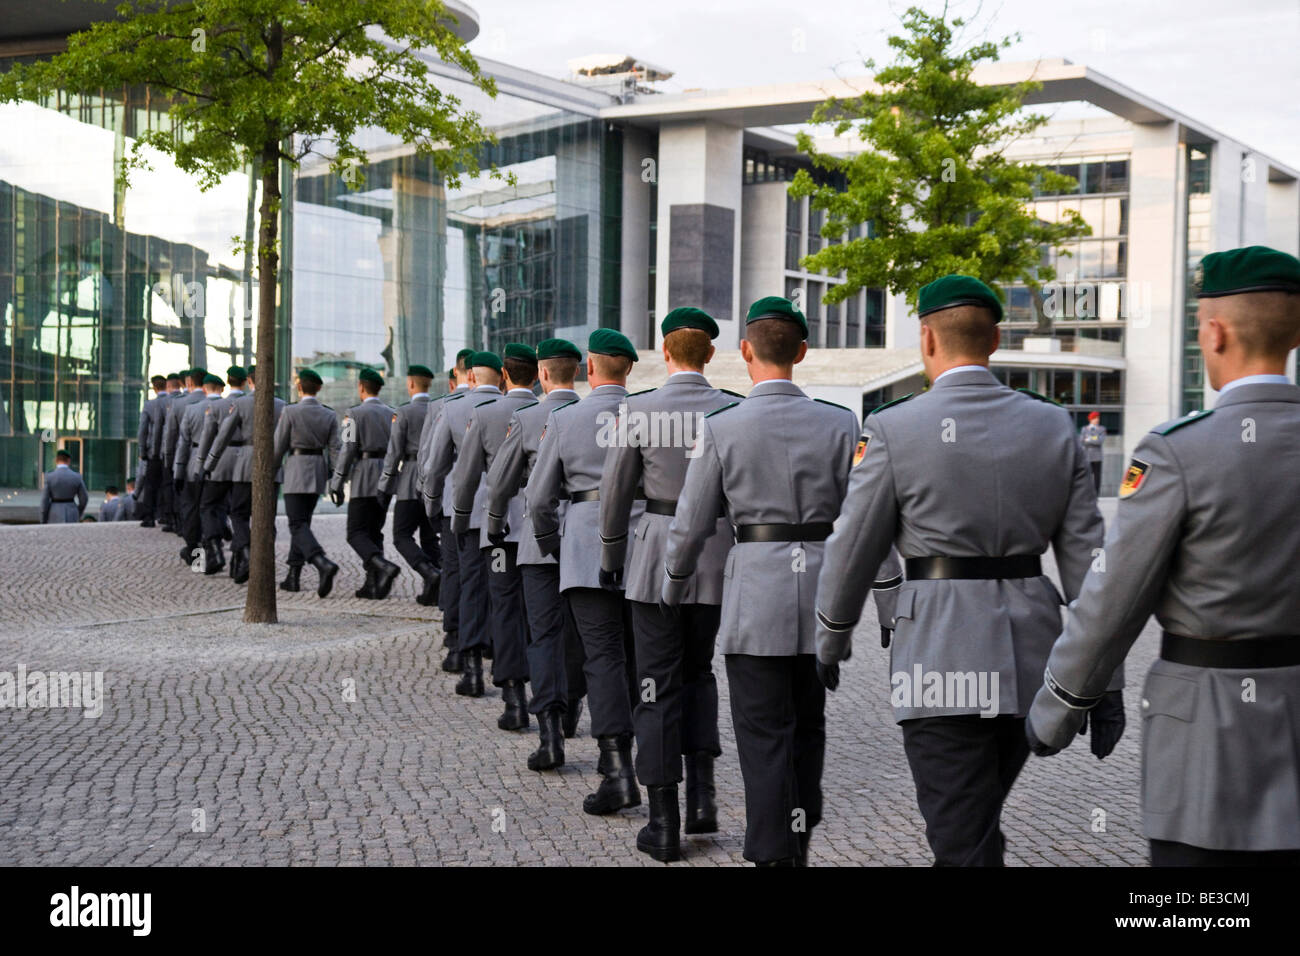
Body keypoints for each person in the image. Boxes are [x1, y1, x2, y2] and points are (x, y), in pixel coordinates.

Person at [813, 275, 1109, 868]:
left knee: (960, 834)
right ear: (995, 338)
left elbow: (852, 548)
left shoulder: (895, 427)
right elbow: (1092, 569)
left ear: (926, 337)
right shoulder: (1053, 425)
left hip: (938, 659)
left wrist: (831, 635)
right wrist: (1107, 683)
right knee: (974, 822)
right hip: (1029, 656)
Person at [1027, 245, 1300, 867]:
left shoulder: (1179, 451)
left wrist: (1057, 711)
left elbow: (1112, 599)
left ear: (1214, 330)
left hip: (1207, 729)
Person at [663, 296, 856, 867]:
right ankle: (798, 833)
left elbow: (691, 523)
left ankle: (775, 853)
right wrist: (887, 601)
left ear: (744, 351)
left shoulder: (722, 427)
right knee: (808, 725)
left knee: (762, 732)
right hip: (821, 597)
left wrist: (674, 583)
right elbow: (869, 522)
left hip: (756, 595)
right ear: (801, 351)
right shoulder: (840, 422)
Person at [598, 306, 739, 862]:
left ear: (663, 352)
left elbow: (615, 495)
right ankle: (703, 798)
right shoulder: (733, 408)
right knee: (700, 671)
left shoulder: (637, 410)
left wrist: (611, 557)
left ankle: (663, 823)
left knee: (655, 683)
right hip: (717, 554)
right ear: (710, 354)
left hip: (655, 552)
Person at [528, 328, 644, 816]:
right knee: (642, 659)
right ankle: (651, 761)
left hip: (583, 544)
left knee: (601, 659)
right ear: (629, 369)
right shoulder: (650, 415)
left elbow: (538, 499)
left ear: (589, 369)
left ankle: (614, 768)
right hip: (644, 547)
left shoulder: (564, 418)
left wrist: (557, 544)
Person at [485, 339, 587, 770]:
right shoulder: (596, 415)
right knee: (583, 633)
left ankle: (549, 733)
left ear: (543, 374)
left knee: (542, 634)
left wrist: (493, 525)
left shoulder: (527, 420)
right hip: (587, 539)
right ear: (578, 373)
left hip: (537, 541)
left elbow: (500, 481)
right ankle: (574, 706)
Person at [451, 345, 539, 732]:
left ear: (505, 374)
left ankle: (514, 698)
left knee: (503, 608)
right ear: (538, 375)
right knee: (542, 615)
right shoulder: (552, 411)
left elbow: (466, 477)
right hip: (541, 528)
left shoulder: (484, 414)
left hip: (497, 529)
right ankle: (558, 702)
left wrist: (459, 518)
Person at [425, 352, 504, 697]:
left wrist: (431, 504)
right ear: (501, 376)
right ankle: (504, 662)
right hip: (508, 515)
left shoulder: (452, 408)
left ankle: (469, 666)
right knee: (504, 589)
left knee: (470, 584)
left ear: (469, 377)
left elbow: (434, 465)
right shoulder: (519, 408)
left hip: (467, 512)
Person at [418, 352, 474, 669]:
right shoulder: (507, 402)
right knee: (482, 577)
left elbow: (430, 460)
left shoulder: (444, 406)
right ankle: (482, 640)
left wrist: (431, 502)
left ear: (456, 372)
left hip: (454, 505)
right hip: (492, 508)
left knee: (454, 570)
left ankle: (454, 641)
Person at [206, 365, 286, 584]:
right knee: (267, 518)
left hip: (245, 466)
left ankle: (248, 553)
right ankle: (261, 561)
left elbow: (223, 436)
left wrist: (210, 462)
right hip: (272, 464)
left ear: (250, 381)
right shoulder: (282, 405)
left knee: (239, 513)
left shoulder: (240, 403)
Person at [329, 368, 401, 599]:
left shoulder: (354, 414)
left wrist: (337, 481)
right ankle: (374, 585)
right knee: (374, 531)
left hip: (363, 477)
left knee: (356, 533)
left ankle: (382, 566)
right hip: (386, 476)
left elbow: (348, 448)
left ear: (361, 387)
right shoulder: (392, 413)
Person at [273, 369, 341, 597]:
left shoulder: (290, 411)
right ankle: (293, 576)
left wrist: (269, 472)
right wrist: (336, 479)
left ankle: (321, 562)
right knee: (302, 524)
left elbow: (278, 445)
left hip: (296, 469)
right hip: (317, 470)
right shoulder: (329, 415)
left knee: (296, 524)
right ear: (318, 388)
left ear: (299, 387)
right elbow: (335, 449)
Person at [377, 365, 441, 606]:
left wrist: (385, 486)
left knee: (401, 536)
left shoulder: (403, 412)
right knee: (429, 537)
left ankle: (429, 573)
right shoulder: (439, 410)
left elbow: (394, 453)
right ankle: (436, 587)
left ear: (411, 384)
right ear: (428, 384)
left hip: (410, 479)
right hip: (436, 478)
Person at [197, 366, 247, 575]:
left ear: (228, 381)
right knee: (239, 512)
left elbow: (208, 437)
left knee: (209, 505)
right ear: (244, 382)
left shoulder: (217, 406)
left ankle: (215, 549)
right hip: (245, 461)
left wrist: (203, 464)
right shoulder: (250, 404)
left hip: (221, 460)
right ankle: (239, 558)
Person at [174, 373, 224, 571]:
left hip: (195, 463)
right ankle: (215, 550)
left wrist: (178, 470)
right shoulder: (228, 408)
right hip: (221, 465)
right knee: (216, 509)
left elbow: (183, 443)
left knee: (193, 510)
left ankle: (197, 558)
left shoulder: (192, 410)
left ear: (204, 388)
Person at [163, 368, 207, 539]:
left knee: (189, 505)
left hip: (188, 461)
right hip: (214, 463)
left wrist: (170, 463)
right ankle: (209, 542)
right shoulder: (220, 403)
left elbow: (171, 436)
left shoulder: (179, 404)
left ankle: (194, 547)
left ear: (189, 382)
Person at [135, 375, 167, 526]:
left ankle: (149, 516)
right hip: (170, 452)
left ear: (154, 388)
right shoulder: (173, 401)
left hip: (153, 451)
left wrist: (142, 450)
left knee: (151, 485)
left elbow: (142, 430)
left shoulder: (149, 405)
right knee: (166, 484)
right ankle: (165, 515)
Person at [154, 372, 185, 531]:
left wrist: (161, 452)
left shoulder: (170, 402)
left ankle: (173, 519)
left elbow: (164, 430)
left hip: (173, 452)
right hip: (192, 453)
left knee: (169, 486)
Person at [41, 450, 89, 524]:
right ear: (69, 460)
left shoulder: (49, 476)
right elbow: (84, 499)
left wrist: (43, 519)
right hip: (71, 510)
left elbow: (44, 500)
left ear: (56, 460)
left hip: (54, 511)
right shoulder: (76, 476)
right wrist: (77, 511)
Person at [1080, 411, 1107, 493]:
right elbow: (1081, 440)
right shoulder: (1084, 429)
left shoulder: (1102, 429)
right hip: (1087, 456)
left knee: (1097, 477)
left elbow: (1100, 441)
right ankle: (1087, 493)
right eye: (1095, 418)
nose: (1097, 420)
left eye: (1098, 418)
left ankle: (1096, 493)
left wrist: (1089, 439)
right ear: (1091, 419)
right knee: (1086, 476)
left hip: (1097, 457)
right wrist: (1094, 438)